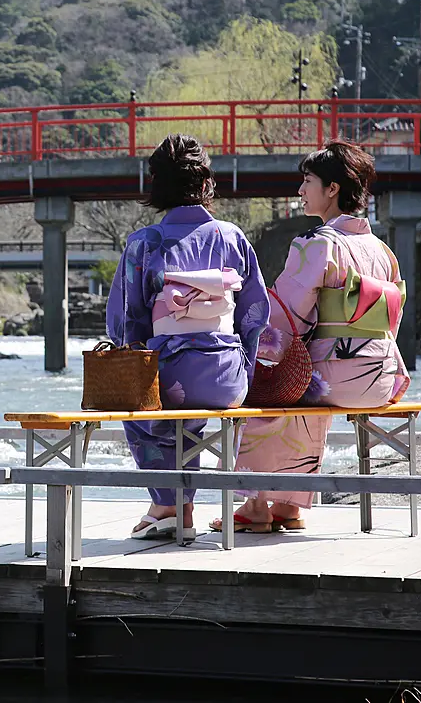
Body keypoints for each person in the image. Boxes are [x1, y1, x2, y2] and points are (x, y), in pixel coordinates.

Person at [211, 140, 409, 533]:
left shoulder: (315, 245)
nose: (301, 190)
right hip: (381, 377)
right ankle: (290, 505)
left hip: (339, 378)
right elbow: (390, 321)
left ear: (332, 188)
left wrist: (245, 347)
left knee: (270, 389)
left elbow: (285, 320)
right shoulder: (383, 250)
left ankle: (256, 505)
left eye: (308, 181)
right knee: (309, 380)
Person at [107, 134, 268, 540]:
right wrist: (242, 364)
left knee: (142, 409)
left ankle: (171, 505)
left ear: (158, 184)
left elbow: (126, 322)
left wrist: (148, 351)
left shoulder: (145, 243)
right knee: (190, 399)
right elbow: (255, 314)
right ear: (205, 183)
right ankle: (179, 506)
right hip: (228, 378)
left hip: (170, 374)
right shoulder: (232, 237)